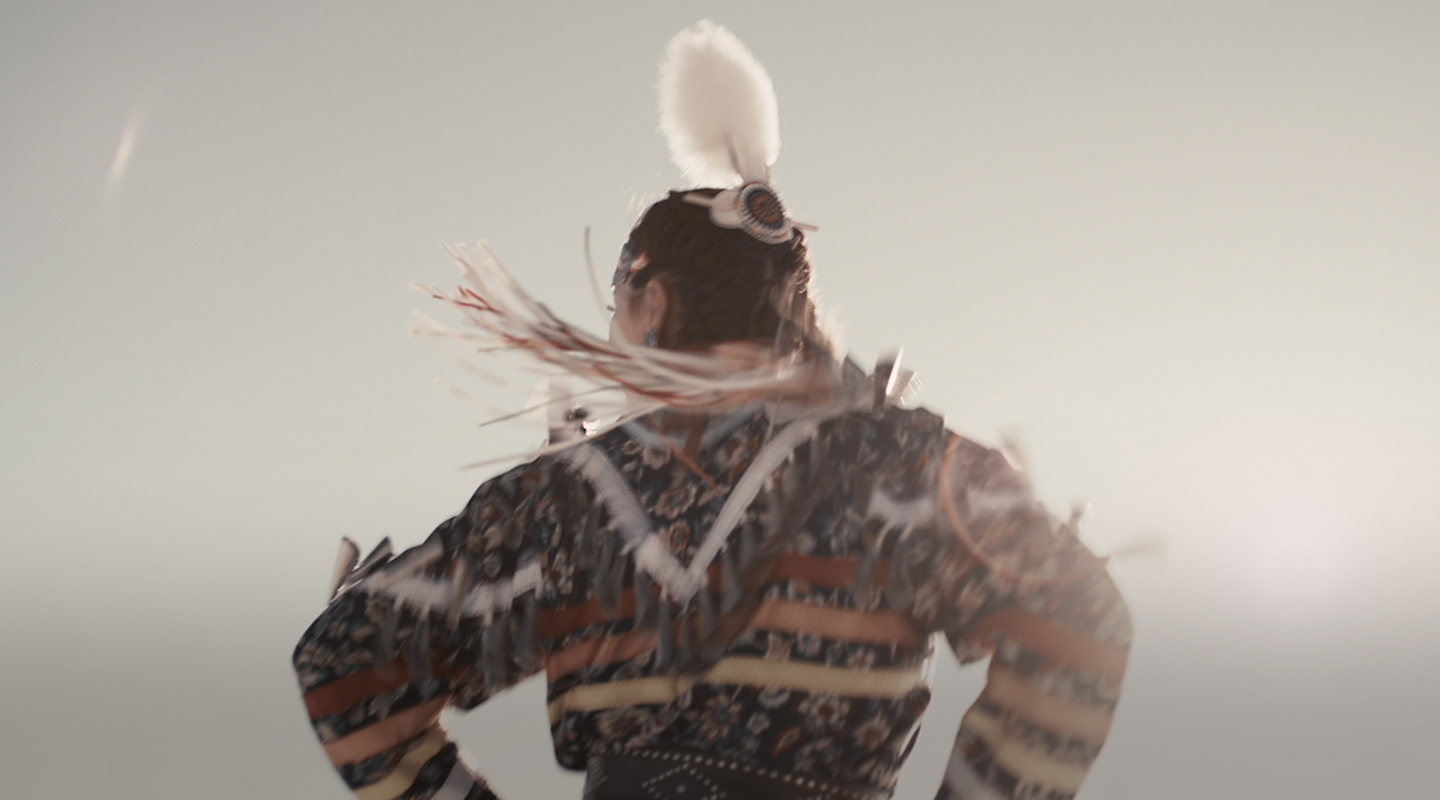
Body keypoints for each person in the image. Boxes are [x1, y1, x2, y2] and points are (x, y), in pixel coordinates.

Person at [293, 21, 1130, 800]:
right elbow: (1079, 618)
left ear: (653, 300)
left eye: (621, 299)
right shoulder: (903, 464)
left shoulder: (558, 501)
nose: (615, 326)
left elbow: (345, 662)